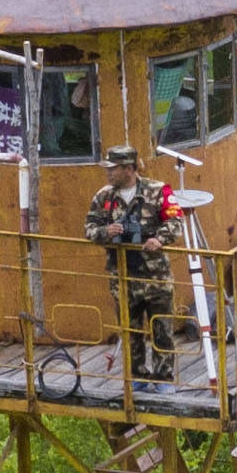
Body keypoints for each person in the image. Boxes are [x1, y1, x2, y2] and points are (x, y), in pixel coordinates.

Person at [85, 148, 180, 381]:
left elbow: (176, 220)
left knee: (162, 331)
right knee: (130, 333)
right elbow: (89, 229)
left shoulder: (160, 190)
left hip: (155, 276)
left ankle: (164, 378)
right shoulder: (103, 197)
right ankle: (136, 379)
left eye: (113, 168)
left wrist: (159, 239)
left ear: (129, 168)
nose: (109, 173)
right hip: (123, 276)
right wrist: (105, 232)